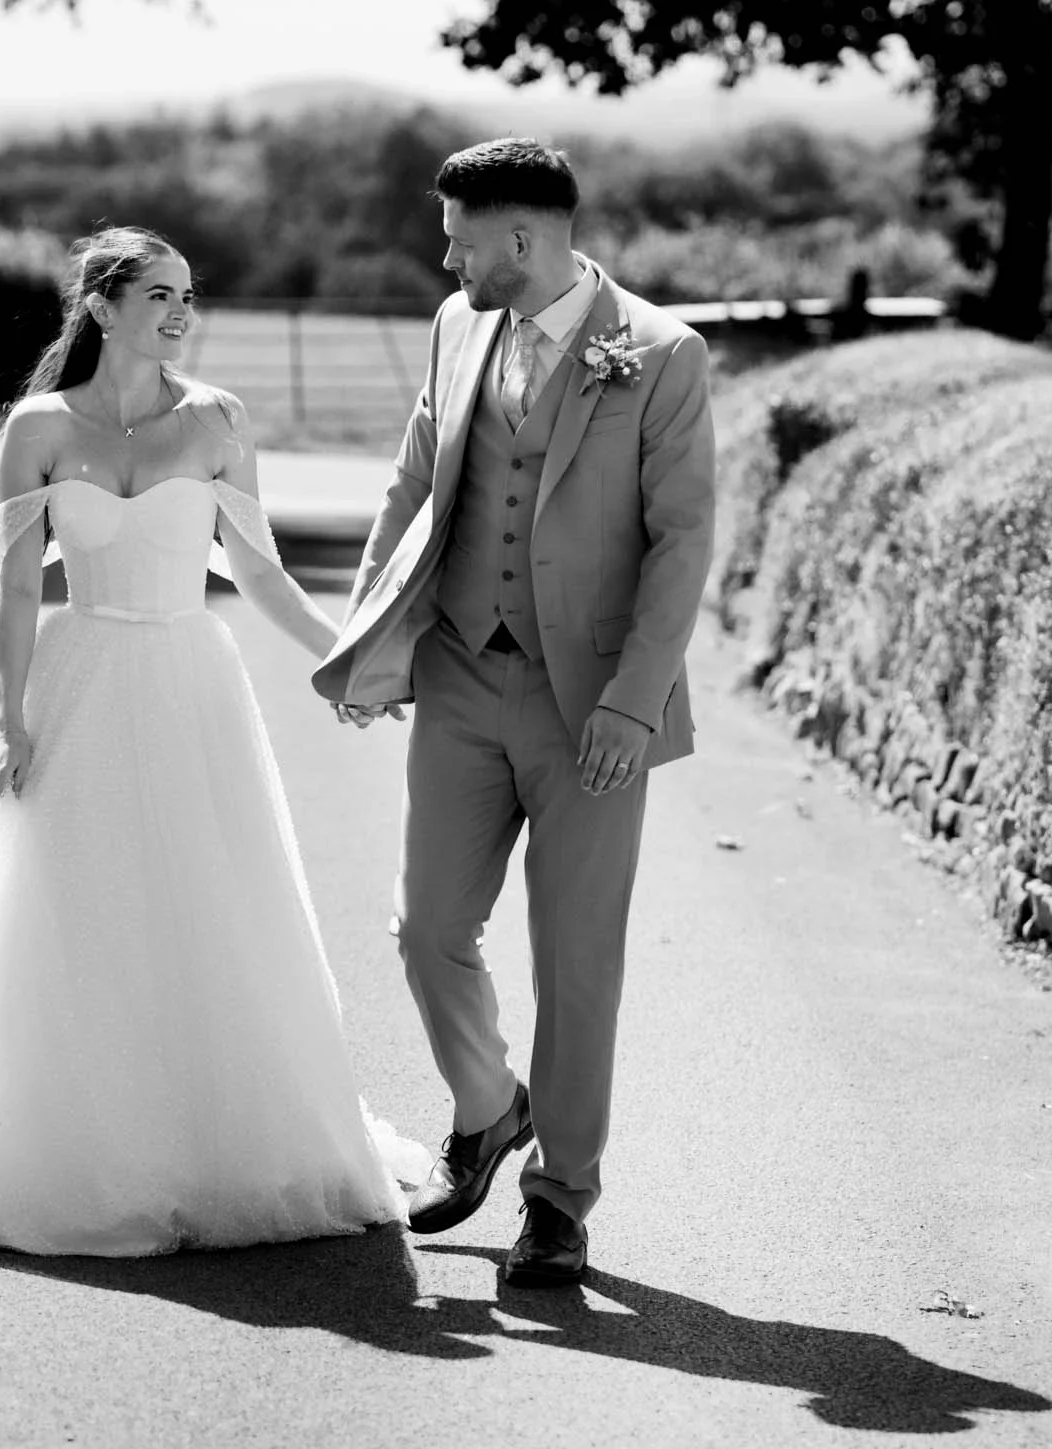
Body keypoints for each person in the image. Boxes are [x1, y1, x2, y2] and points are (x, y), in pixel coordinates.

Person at [0, 226, 424, 1255]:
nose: (181, 313)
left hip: (189, 683)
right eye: (160, 295)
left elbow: (260, 574)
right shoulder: (38, 427)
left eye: (187, 296)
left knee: (205, 901)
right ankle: (75, 1152)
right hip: (77, 678)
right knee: (75, 910)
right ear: (101, 304)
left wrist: (346, 665)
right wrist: (9, 721)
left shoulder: (216, 419)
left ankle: (219, 1146)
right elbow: (16, 593)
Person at [315, 138, 715, 1287]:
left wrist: (634, 705)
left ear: (524, 240)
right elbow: (412, 484)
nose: (446, 255)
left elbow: (682, 544)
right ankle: (491, 1108)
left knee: (577, 960)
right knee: (427, 926)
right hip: (457, 678)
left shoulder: (661, 355)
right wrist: (367, 641)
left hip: (590, 707)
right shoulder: (455, 327)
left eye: (460, 237)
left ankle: (558, 1204)